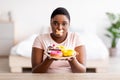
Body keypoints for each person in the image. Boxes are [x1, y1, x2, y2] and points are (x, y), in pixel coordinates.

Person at [32, 7, 86, 73]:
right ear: (50, 23)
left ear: (69, 24)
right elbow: (35, 71)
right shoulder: (40, 39)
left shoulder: (76, 37)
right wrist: (49, 59)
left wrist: (72, 60)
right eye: (55, 23)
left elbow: (82, 71)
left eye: (64, 24)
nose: (60, 27)